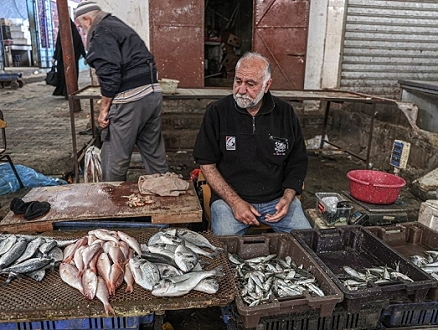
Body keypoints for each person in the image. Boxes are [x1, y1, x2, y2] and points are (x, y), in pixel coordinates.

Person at [193, 52, 311, 236]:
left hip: (276, 200)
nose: (240, 89)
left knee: (308, 242)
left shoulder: (285, 113)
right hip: (229, 200)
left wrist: (288, 198)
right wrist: (235, 203)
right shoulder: (217, 112)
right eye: (238, 81)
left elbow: (298, 161)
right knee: (224, 248)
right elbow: (207, 164)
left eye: (250, 84)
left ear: (267, 85)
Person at [74, 1, 169, 181]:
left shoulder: (100, 31)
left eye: (81, 26)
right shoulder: (116, 24)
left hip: (130, 99)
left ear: (87, 19)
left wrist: (103, 110)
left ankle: (111, 202)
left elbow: (110, 74)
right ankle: (167, 196)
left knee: (114, 160)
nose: (83, 30)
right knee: (154, 155)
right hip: (152, 93)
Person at [52, 19, 86, 99]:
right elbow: (58, 45)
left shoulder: (71, 33)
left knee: (68, 75)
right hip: (66, 59)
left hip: (68, 59)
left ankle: (68, 92)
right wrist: (55, 57)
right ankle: (66, 92)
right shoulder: (66, 33)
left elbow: (79, 45)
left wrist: (55, 57)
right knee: (65, 75)